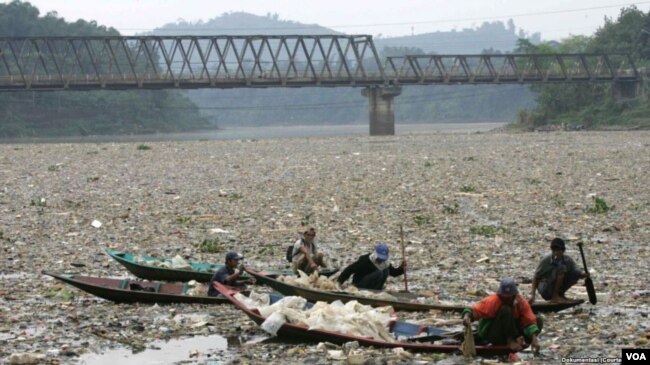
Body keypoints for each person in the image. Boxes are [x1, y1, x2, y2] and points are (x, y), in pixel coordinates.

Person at [462, 278, 541, 353]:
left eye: (509, 298)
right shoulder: (493, 301)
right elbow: (473, 310)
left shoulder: (520, 302)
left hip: (512, 331)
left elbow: (529, 320)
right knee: (506, 310)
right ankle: (510, 341)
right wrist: (467, 316)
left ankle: (522, 340)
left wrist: (534, 338)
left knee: (538, 320)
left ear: (514, 295)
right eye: (504, 298)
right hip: (494, 334)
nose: (506, 300)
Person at [529, 238, 589, 304]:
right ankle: (555, 297)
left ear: (563, 250)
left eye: (558, 250)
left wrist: (583, 275)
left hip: (554, 286)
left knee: (575, 273)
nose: (556, 252)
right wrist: (533, 296)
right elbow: (535, 277)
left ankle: (559, 295)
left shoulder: (568, 260)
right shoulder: (547, 260)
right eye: (554, 250)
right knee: (561, 269)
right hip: (546, 289)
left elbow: (577, 273)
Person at [337, 243, 405, 290]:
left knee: (386, 270)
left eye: (382, 258)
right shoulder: (365, 260)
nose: (380, 260)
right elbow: (349, 269)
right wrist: (339, 282)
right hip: (360, 284)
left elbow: (394, 273)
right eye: (379, 258)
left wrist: (402, 268)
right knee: (379, 273)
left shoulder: (385, 263)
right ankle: (369, 290)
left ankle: (377, 290)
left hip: (373, 286)